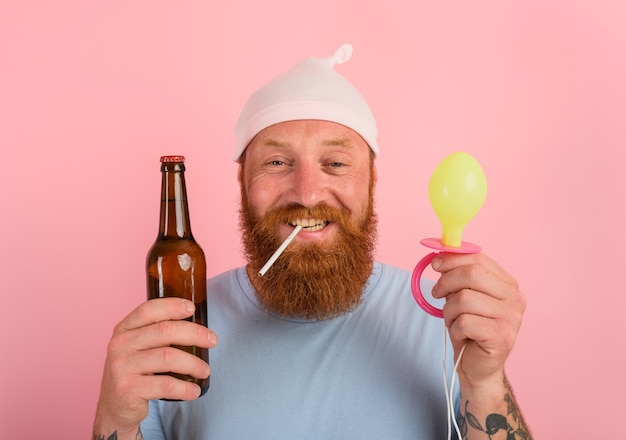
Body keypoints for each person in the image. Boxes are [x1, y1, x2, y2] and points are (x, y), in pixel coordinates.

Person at [93, 44, 532, 440]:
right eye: (277, 161)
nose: (306, 192)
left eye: (336, 162)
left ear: (371, 181)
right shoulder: (177, 332)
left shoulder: (446, 319)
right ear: (243, 181)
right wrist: (115, 417)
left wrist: (485, 384)